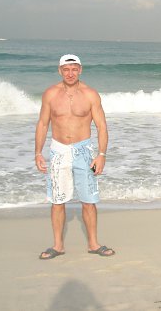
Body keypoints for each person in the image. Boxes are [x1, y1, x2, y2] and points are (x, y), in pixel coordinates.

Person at [35, 54, 115, 259]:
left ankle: (94, 244)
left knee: (89, 200)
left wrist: (101, 155)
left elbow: (102, 126)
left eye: (74, 69)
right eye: (66, 69)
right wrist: (38, 152)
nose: (70, 73)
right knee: (57, 200)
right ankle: (58, 246)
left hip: (84, 151)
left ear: (80, 70)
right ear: (60, 70)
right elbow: (43, 124)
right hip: (58, 151)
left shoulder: (90, 94)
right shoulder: (50, 94)